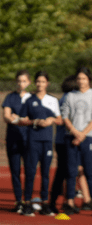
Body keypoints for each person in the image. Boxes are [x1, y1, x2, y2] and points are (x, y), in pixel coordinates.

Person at [61, 67, 92, 216]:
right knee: (71, 171)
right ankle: (70, 202)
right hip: (71, 137)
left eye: (84, 78)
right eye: (79, 78)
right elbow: (65, 116)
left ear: (89, 80)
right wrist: (74, 132)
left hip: (87, 138)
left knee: (90, 171)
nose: (81, 81)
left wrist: (83, 134)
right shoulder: (70, 96)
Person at [19, 71, 61, 216]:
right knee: (30, 172)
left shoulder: (53, 101)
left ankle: (44, 203)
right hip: (33, 140)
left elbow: (60, 120)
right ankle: (28, 203)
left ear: (47, 83)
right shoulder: (29, 100)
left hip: (47, 141)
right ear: (35, 83)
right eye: (38, 81)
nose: (40, 84)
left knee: (45, 173)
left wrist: (52, 120)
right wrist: (35, 121)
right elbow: (22, 120)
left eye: (43, 82)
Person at [2, 70, 31, 213]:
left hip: (28, 140)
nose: (21, 84)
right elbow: (6, 116)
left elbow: (32, 119)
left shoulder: (32, 98)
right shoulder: (10, 97)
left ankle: (28, 200)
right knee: (15, 171)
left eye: (24, 81)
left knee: (29, 170)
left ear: (29, 82)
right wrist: (20, 120)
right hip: (13, 139)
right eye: (19, 81)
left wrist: (17, 119)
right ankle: (18, 200)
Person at [49, 75, 76, 214]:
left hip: (61, 140)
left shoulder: (64, 98)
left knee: (64, 171)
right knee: (64, 172)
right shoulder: (68, 99)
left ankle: (58, 200)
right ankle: (57, 201)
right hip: (65, 139)